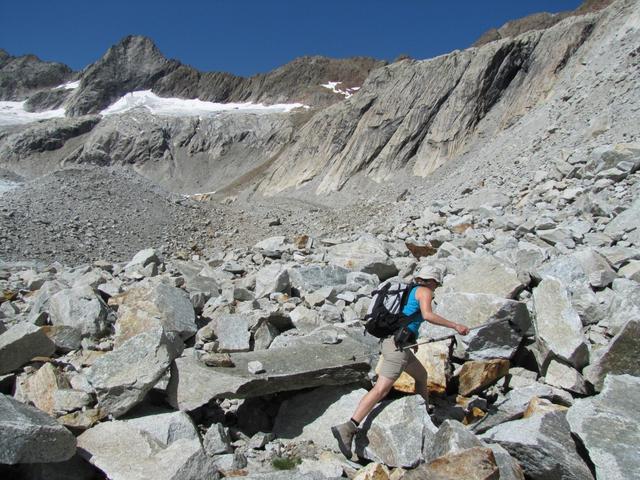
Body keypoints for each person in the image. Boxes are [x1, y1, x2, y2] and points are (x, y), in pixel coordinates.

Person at [331, 265, 470, 459]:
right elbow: (427, 315)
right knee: (381, 389)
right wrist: (455, 325)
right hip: (397, 349)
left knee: (421, 376)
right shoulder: (425, 291)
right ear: (431, 281)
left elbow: (406, 318)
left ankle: (423, 414)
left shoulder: (412, 289)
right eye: (436, 283)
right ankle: (349, 427)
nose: (436, 287)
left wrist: (411, 340)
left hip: (397, 343)